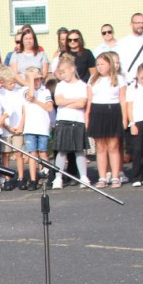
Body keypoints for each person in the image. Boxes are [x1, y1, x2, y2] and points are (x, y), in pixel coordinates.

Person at [87, 53, 127, 188]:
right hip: (97, 112)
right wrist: (87, 117)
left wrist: (125, 118)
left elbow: (122, 100)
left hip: (113, 111)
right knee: (100, 147)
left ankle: (115, 176)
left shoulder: (119, 79)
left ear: (110, 64)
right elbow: (89, 101)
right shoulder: (93, 79)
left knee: (113, 146)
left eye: (102, 64)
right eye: (98, 64)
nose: (99, 67)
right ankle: (102, 177)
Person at [52, 58, 91, 188]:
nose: (62, 75)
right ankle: (58, 178)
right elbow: (58, 101)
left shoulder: (82, 85)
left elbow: (82, 103)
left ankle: (84, 177)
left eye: (64, 72)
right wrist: (74, 101)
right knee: (62, 151)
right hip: (63, 121)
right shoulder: (60, 85)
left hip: (77, 121)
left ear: (72, 69)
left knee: (79, 150)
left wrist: (67, 101)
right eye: (60, 73)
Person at [18, 67, 53, 190]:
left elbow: (49, 108)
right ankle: (33, 179)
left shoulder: (45, 91)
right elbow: (30, 95)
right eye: (35, 80)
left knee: (43, 152)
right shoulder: (24, 91)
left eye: (39, 79)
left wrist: (36, 101)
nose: (38, 82)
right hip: (30, 128)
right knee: (32, 153)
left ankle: (45, 176)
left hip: (42, 127)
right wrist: (31, 81)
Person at [117, 13, 143, 83]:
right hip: (127, 82)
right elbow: (120, 63)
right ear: (131, 24)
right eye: (138, 23)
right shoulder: (122, 42)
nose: (141, 25)